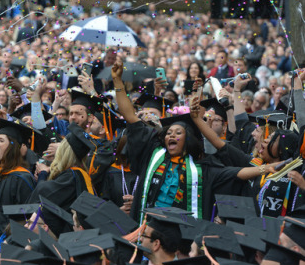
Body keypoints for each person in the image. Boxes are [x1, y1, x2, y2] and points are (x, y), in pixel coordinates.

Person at [112, 61, 280, 222]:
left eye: (178, 132)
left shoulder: (200, 168)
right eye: (169, 132)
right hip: (146, 227)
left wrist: (263, 169)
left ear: (188, 140)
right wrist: (118, 81)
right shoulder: (153, 153)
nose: (171, 135)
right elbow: (130, 116)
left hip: (177, 234)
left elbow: (235, 173)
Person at [28, 122, 96, 235]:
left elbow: (43, 194)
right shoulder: (77, 173)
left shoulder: (71, 175)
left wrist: (43, 174)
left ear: (63, 152)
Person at [0, 119, 35, 236]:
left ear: (12, 147)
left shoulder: (22, 178)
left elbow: (25, 216)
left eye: (1, 140)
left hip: (8, 242)